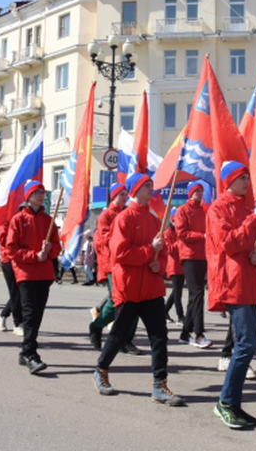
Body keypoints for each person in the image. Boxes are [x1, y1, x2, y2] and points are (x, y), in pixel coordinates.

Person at [92, 173, 184, 406]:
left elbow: (162, 251)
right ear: (135, 190)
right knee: (119, 334)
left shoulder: (155, 220)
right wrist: (147, 252)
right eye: (147, 185)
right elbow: (120, 254)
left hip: (152, 288)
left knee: (159, 336)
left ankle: (159, 385)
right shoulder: (123, 219)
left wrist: (159, 264)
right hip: (129, 288)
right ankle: (101, 369)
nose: (152, 188)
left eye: (152, 184)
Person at [206, 161, 256, 429]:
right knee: (246, 344)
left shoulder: (247, 208)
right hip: (233, 283)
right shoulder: (218, 208)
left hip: (249, 281)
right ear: (229, 181)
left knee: (248, 344)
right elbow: (228, 244)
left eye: (247, 177)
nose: (247, 181)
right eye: (241, 177)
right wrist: (255, 219)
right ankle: (226, 402)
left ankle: (232, 403)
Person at [8, 180, 62, 374]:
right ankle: (32, 354)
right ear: (28, 196)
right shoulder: (18, 219)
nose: (41, 195)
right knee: (30, 315)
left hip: (44, 274)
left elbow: (57, 247)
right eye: (37, 192)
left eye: (42, 192)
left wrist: (50, 250)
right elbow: (11, 249)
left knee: (37, 315)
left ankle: (25, 351)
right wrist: (34, 256)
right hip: (26, 274)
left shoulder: (49, 220)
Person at [89, 183, 141, 355]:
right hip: (113, 264)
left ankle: (127, 340)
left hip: (132, 262)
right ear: (113, 196)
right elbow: (104, 239)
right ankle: (97, 326)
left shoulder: (129, 213)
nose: (125, 197)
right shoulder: (105, 216)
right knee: (115, 301)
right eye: (121, 194)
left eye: (126, 194)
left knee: (134, 302)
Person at [176, 181, 212, 349]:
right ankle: (198, 334)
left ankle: (185, 333)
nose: (199, 193)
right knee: (197, 293)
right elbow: (182, 233)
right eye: (196, 191)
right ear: (190, 193)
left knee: (195, 295)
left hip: (202, 256)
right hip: (189, 256)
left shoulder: (204, 210)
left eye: (201, 191)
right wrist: (202, 236)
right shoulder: (183, 210)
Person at [0, 217, 23, 335]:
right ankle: (18, 323)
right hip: (8, 261)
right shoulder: (4, 222)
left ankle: (3, 315)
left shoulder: (21, 220)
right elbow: (3, 241)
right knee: (16, 292)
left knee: (21, 292)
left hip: (21, 260)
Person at [164, 208, 185, 324]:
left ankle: (165, 311)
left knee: (177, 291)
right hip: (174, 266)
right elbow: (169, 250)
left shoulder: (179, 232)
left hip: (182, 264)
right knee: (178, 292)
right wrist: (180, 242)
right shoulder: (167, 233)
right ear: (172, 220)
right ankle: (180, 316)